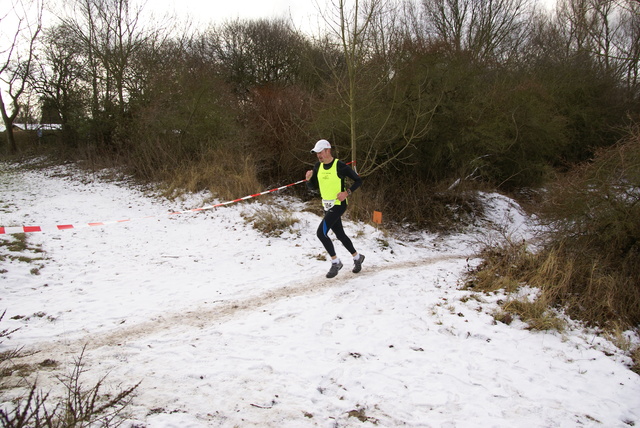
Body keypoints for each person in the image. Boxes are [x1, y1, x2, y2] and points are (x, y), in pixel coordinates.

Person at [305, 139, 365, 278]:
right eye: (316, 153)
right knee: (339, 234)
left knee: (321, 233)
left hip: (339, 204)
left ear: (328, 150)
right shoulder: (317, 166)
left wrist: (347, 193)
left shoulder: (340, 166)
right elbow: (313, 187)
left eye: (321, 152)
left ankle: (335, 262)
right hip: (326, 205)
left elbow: (358, 180)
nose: (319, 155)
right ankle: (357, 257)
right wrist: (309, 180)